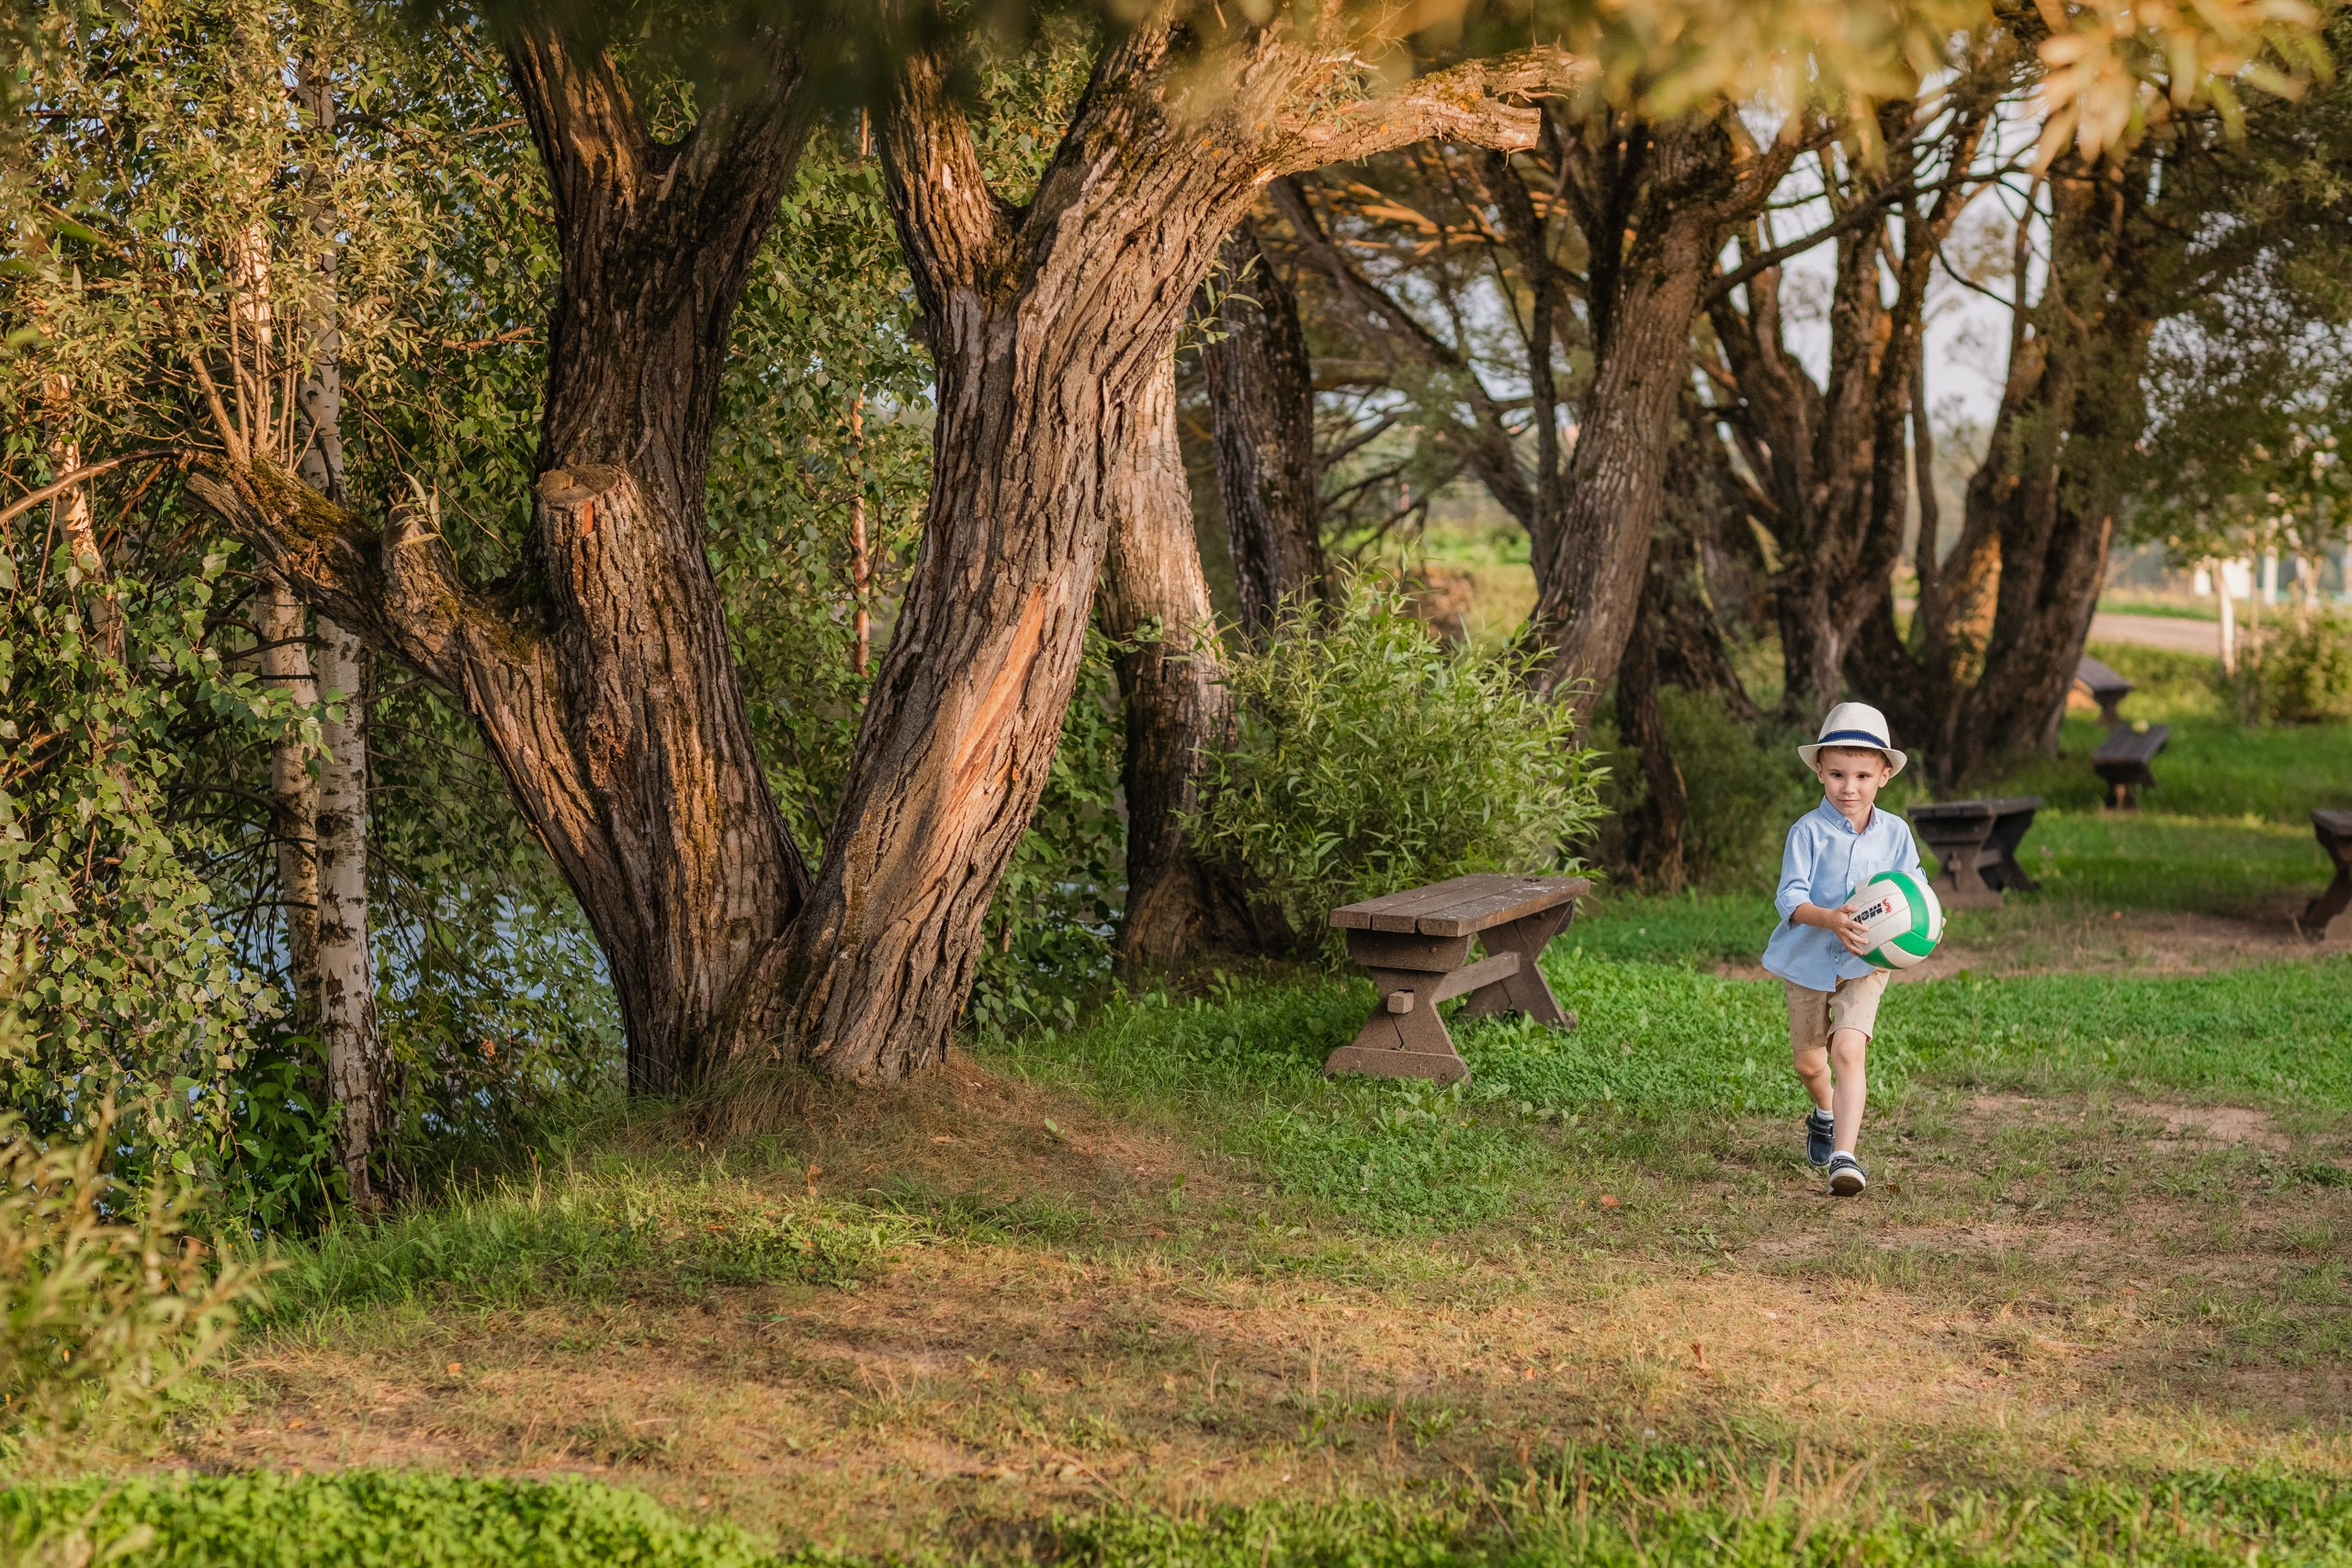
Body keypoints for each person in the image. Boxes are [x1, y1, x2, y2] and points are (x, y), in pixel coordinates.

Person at [1761, 703, 1922, 1197]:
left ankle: (1844, 1157)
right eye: (1837, 775)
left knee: (1849, 1050)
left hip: (1865, 962)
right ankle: (1824, 1112)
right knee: (1810, 1064)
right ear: (1819, 771)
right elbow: (1790, 897)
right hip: (1808, 960)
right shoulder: (1806, 832)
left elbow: (1914, 886)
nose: (1848, 787)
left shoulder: (1895, 833)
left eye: (1862, 776)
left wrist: (1928, 918)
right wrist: (1829, 918)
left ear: (1884, 776)